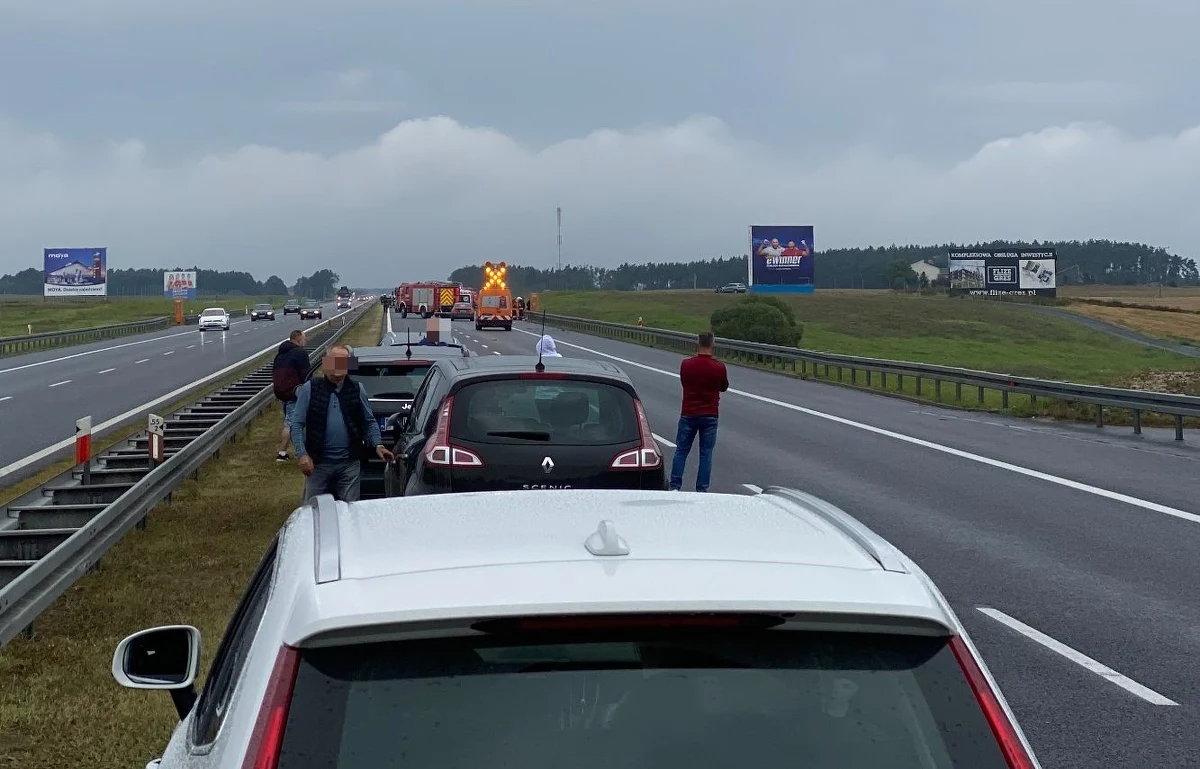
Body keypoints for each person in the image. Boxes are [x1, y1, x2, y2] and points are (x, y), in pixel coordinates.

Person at [290, 344, 394, 502]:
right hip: (318, 464)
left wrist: (378, 444)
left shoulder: (358, 389)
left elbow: (369, 421)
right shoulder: (309, 389)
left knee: (349, 509)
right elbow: (296, 424)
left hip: (349, 464)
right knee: (311, 509)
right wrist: (302, 454)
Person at [669, 331, 728, 492]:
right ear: (712, 344)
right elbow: (723, 387)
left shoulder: (686, 364)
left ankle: (675, 485)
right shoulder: (719, 367)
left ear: (698, 342)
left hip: (688, 413)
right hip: (710, 415)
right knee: (706, 454)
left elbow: (684, 383)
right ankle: (701, 489)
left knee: (681, 450)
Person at [272, 329, 309, 462]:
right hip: (295, 393)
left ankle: (296, 450)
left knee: (291, 421)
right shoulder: (300, 353)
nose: (306, 340)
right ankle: (282, 454)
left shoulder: (280, 354)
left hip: (282, 393)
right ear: (298, 339)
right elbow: (306, 375)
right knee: (292, 424)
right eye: (304, 338)